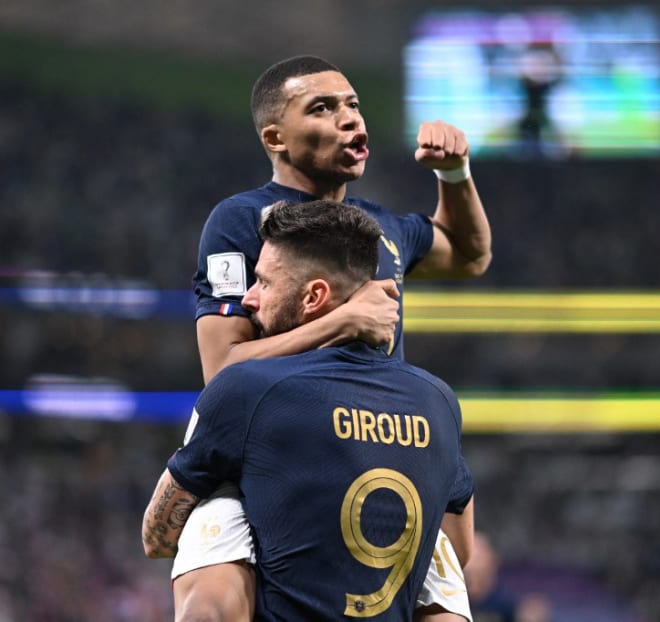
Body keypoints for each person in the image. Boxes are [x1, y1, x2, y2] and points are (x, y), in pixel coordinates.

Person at [177, 54, 490, 621]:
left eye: (352, 105)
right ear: (276, 136)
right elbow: (223, 370)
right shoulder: (240, 221)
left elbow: (469, 255)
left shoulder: (382, 229)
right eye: (322, 108)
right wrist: (342, 321)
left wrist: (454, 175)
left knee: (457, 561)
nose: (349, 118)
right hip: (282, 470)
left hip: (383, 454)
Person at [143, 200, 475, 620]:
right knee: (435, 554)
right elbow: (459, 551)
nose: (248, 299)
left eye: (263, 282)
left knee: (218, 505)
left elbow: (156, 537)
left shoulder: (248, 387)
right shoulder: (439, 401)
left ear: (314, 296)